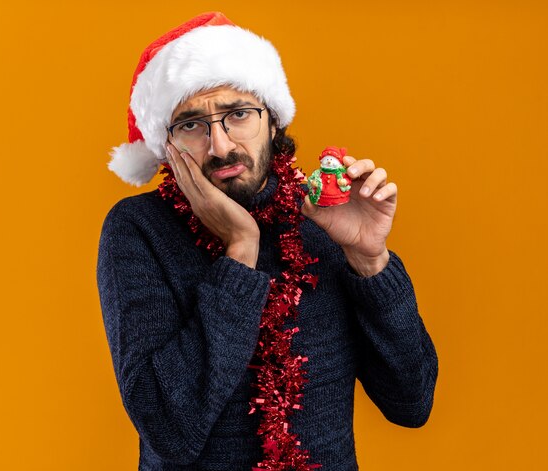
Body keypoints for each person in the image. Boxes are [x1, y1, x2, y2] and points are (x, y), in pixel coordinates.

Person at [96, 11, 438, 471]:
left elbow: (412, 404)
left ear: (273, 122)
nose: (219, 145)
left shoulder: (327, 218)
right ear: (167, 145)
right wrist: (240, 249)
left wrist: (369, 259)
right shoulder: (138, 228)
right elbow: (170, 430)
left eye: (238, 115)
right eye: (192, 125)